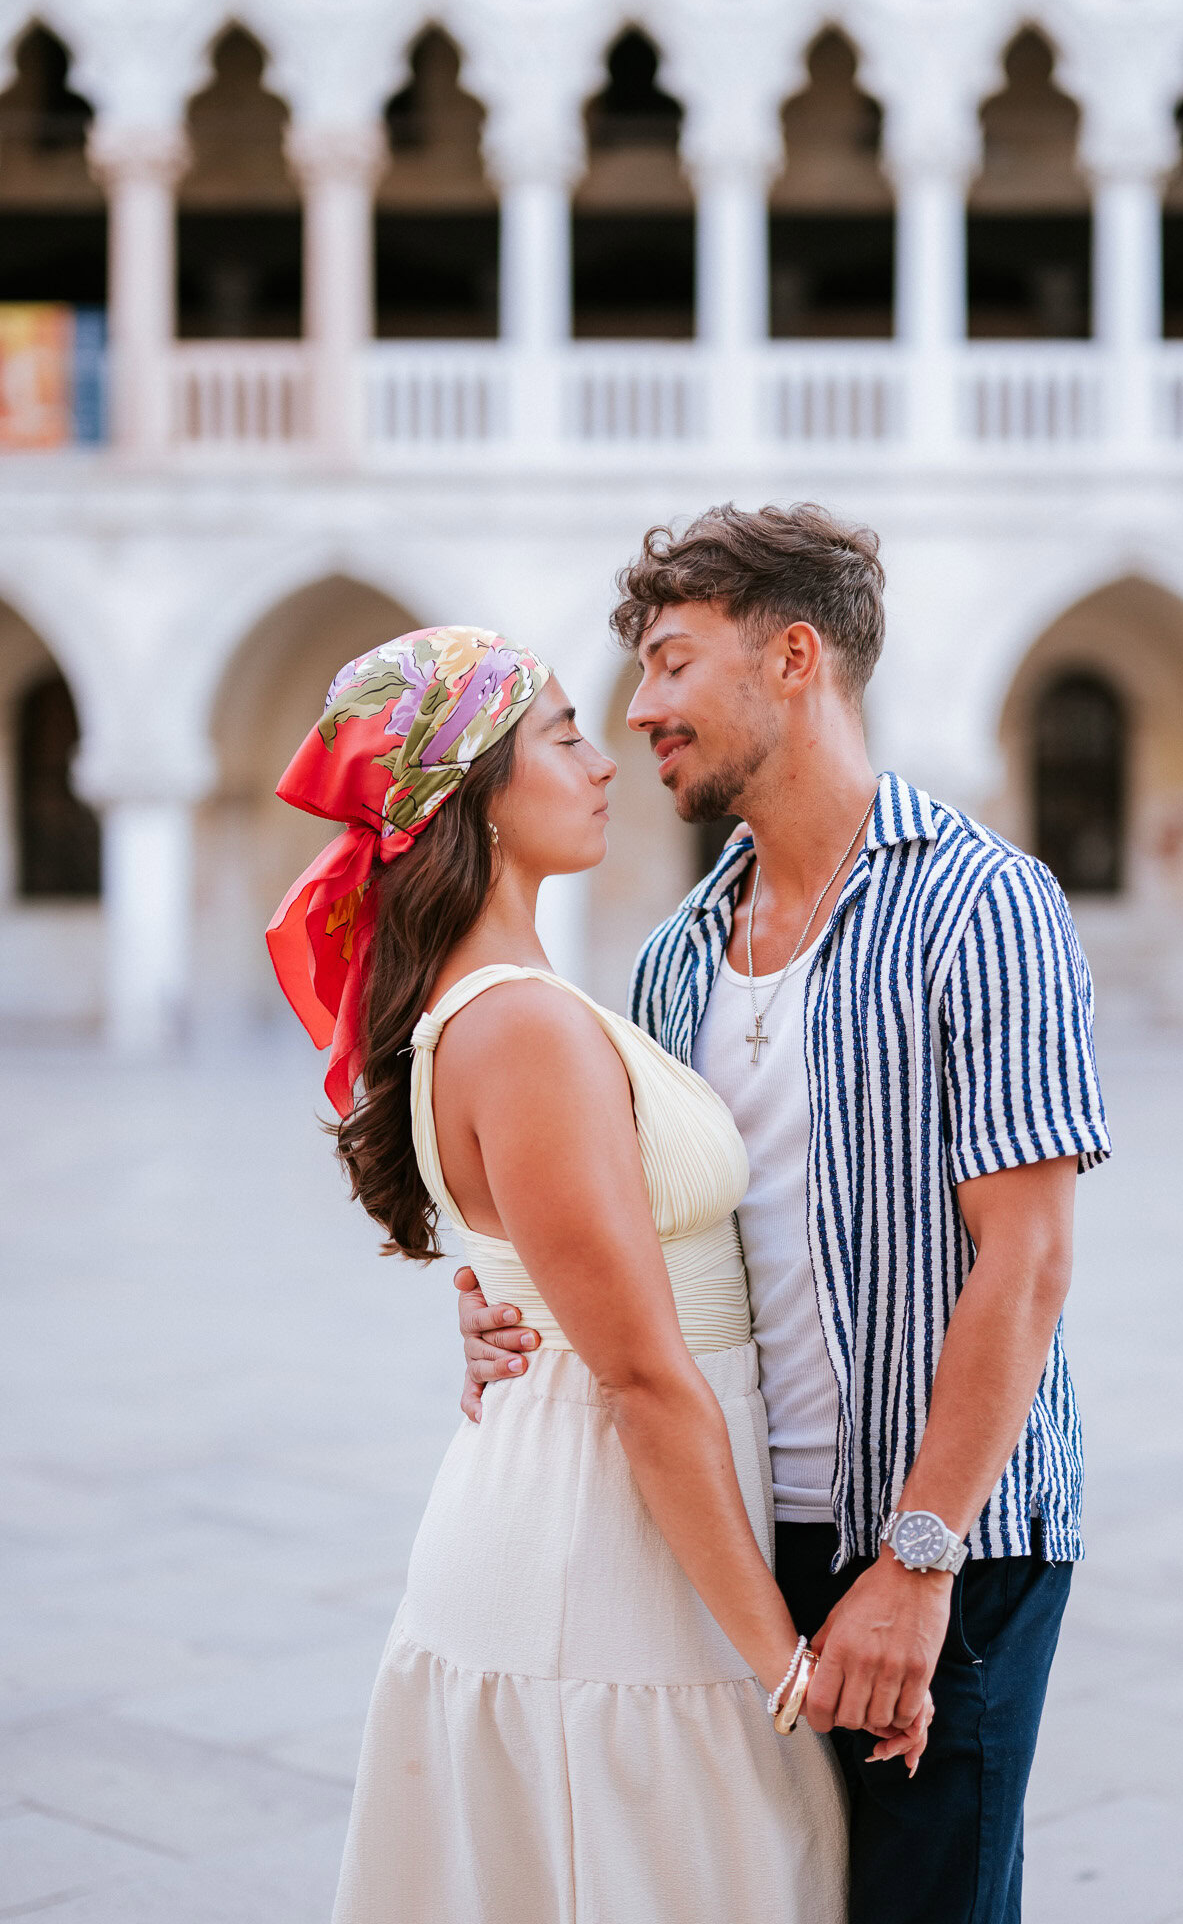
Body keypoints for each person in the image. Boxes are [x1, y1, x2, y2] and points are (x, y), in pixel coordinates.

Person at [458, 505, 1112, 1924]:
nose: (642, 712)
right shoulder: (677, 958)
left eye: (674, 665)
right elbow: (636, 1241)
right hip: (741, 1535)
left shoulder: (981, 905)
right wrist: (499, 1306)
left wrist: (919, 1558)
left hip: (958, 1544)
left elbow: (1031, 1258)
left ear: (794, 659)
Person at [266, 623, 892, 1924]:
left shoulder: (511, 1002)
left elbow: (555, 1263)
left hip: (594, 1515)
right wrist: (781, 1666)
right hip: (608, 1552)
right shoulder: (523, 1023)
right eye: (560, 734)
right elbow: (649, 1378)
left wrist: (500, 1303)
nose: (603, 760)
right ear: (474, 797)